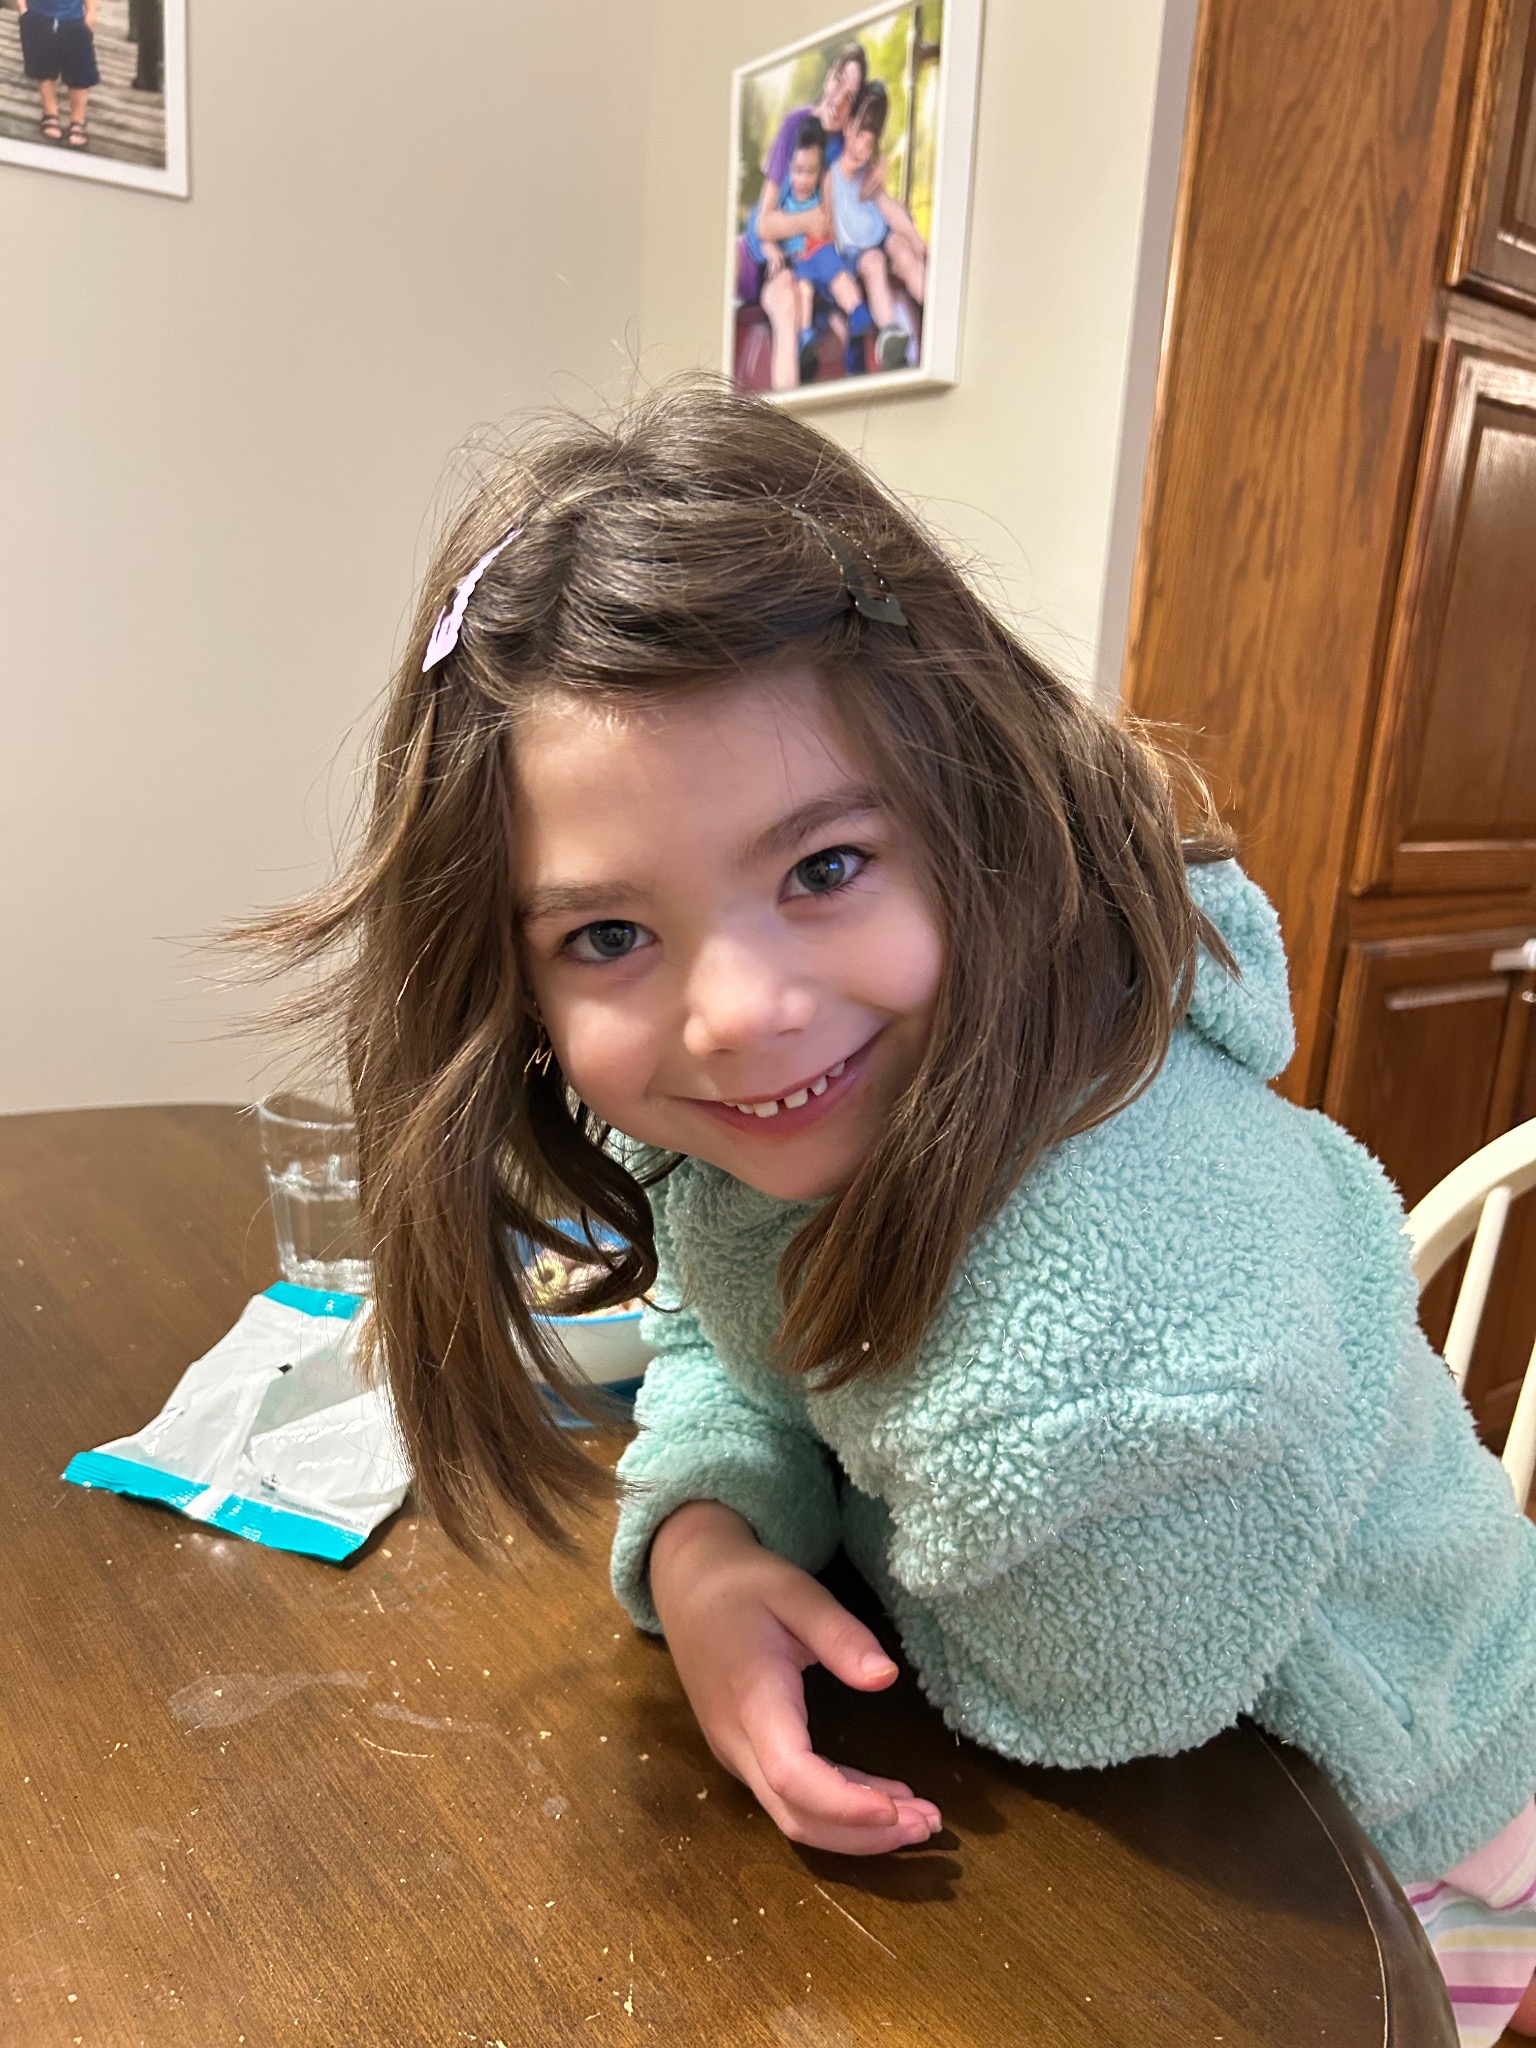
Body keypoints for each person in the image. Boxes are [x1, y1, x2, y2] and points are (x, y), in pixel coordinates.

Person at [253, 384, 1536, 2047]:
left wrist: (831, 1478)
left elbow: (1082, 1701)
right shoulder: (793, 1115)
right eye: (609, 936)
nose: (739, 1013)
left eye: (825, 867)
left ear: (973, 810)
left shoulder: (1127, 1327)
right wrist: (712, 1543)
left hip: (1402, 1837)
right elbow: (731, 1335)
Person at [736, 43, 865, 391]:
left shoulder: (843, 154)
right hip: (762, 248)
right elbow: (764, 223)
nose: (839, 99)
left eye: (851, 97)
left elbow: (829, 227)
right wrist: (800, 224)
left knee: (793, 303)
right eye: (839, 81)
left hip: (804, 262)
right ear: (828, 78)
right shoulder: (795, 124)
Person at [826, 81, 927, 373]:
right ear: (848, 128)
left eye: (869, 143)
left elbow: (890, 210)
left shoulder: (869, 175)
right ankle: (890, 334)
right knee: (873, 261)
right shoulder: (832, 178)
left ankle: (933, 301)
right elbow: (828, 228)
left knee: (901, 246)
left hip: (881, 238)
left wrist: (915, 239)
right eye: (859, 136)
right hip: (855, 252)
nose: (861, 148)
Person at [16, 0, 99, 150]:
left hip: (74, 20)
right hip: (38, 16)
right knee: (45, 71)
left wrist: (91, 13)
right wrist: (23, 9)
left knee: (79, 75)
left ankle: (78, 120)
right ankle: (50, 112)